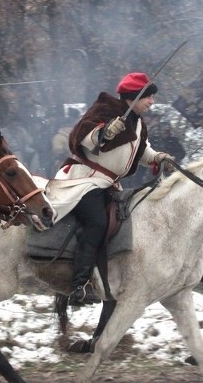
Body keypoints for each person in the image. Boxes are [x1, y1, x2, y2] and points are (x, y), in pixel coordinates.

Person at [46, 72, 173, 306]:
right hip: (85, 179)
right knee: (97, 222)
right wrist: (103, 133)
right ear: (134, 96)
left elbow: (141, 151)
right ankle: (79, 285)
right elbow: (82, 134)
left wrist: (158, 157)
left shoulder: (138, 123)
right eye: (148, 97)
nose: (152, 102)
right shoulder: (105, 108)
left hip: (109, 184)